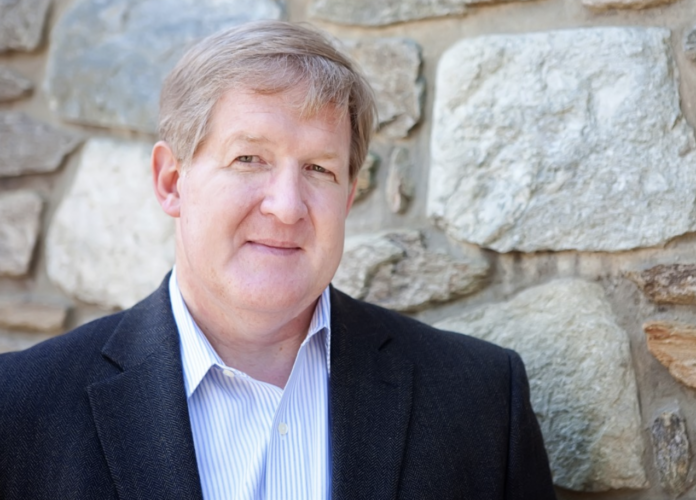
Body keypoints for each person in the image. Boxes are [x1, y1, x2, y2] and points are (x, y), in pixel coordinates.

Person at [0, 20, 556, 500]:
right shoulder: (21, 410)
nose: (287, 206)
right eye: (249, 158)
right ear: (171, 181)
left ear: (348, 195)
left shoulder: (479, 401)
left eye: (319, 169)